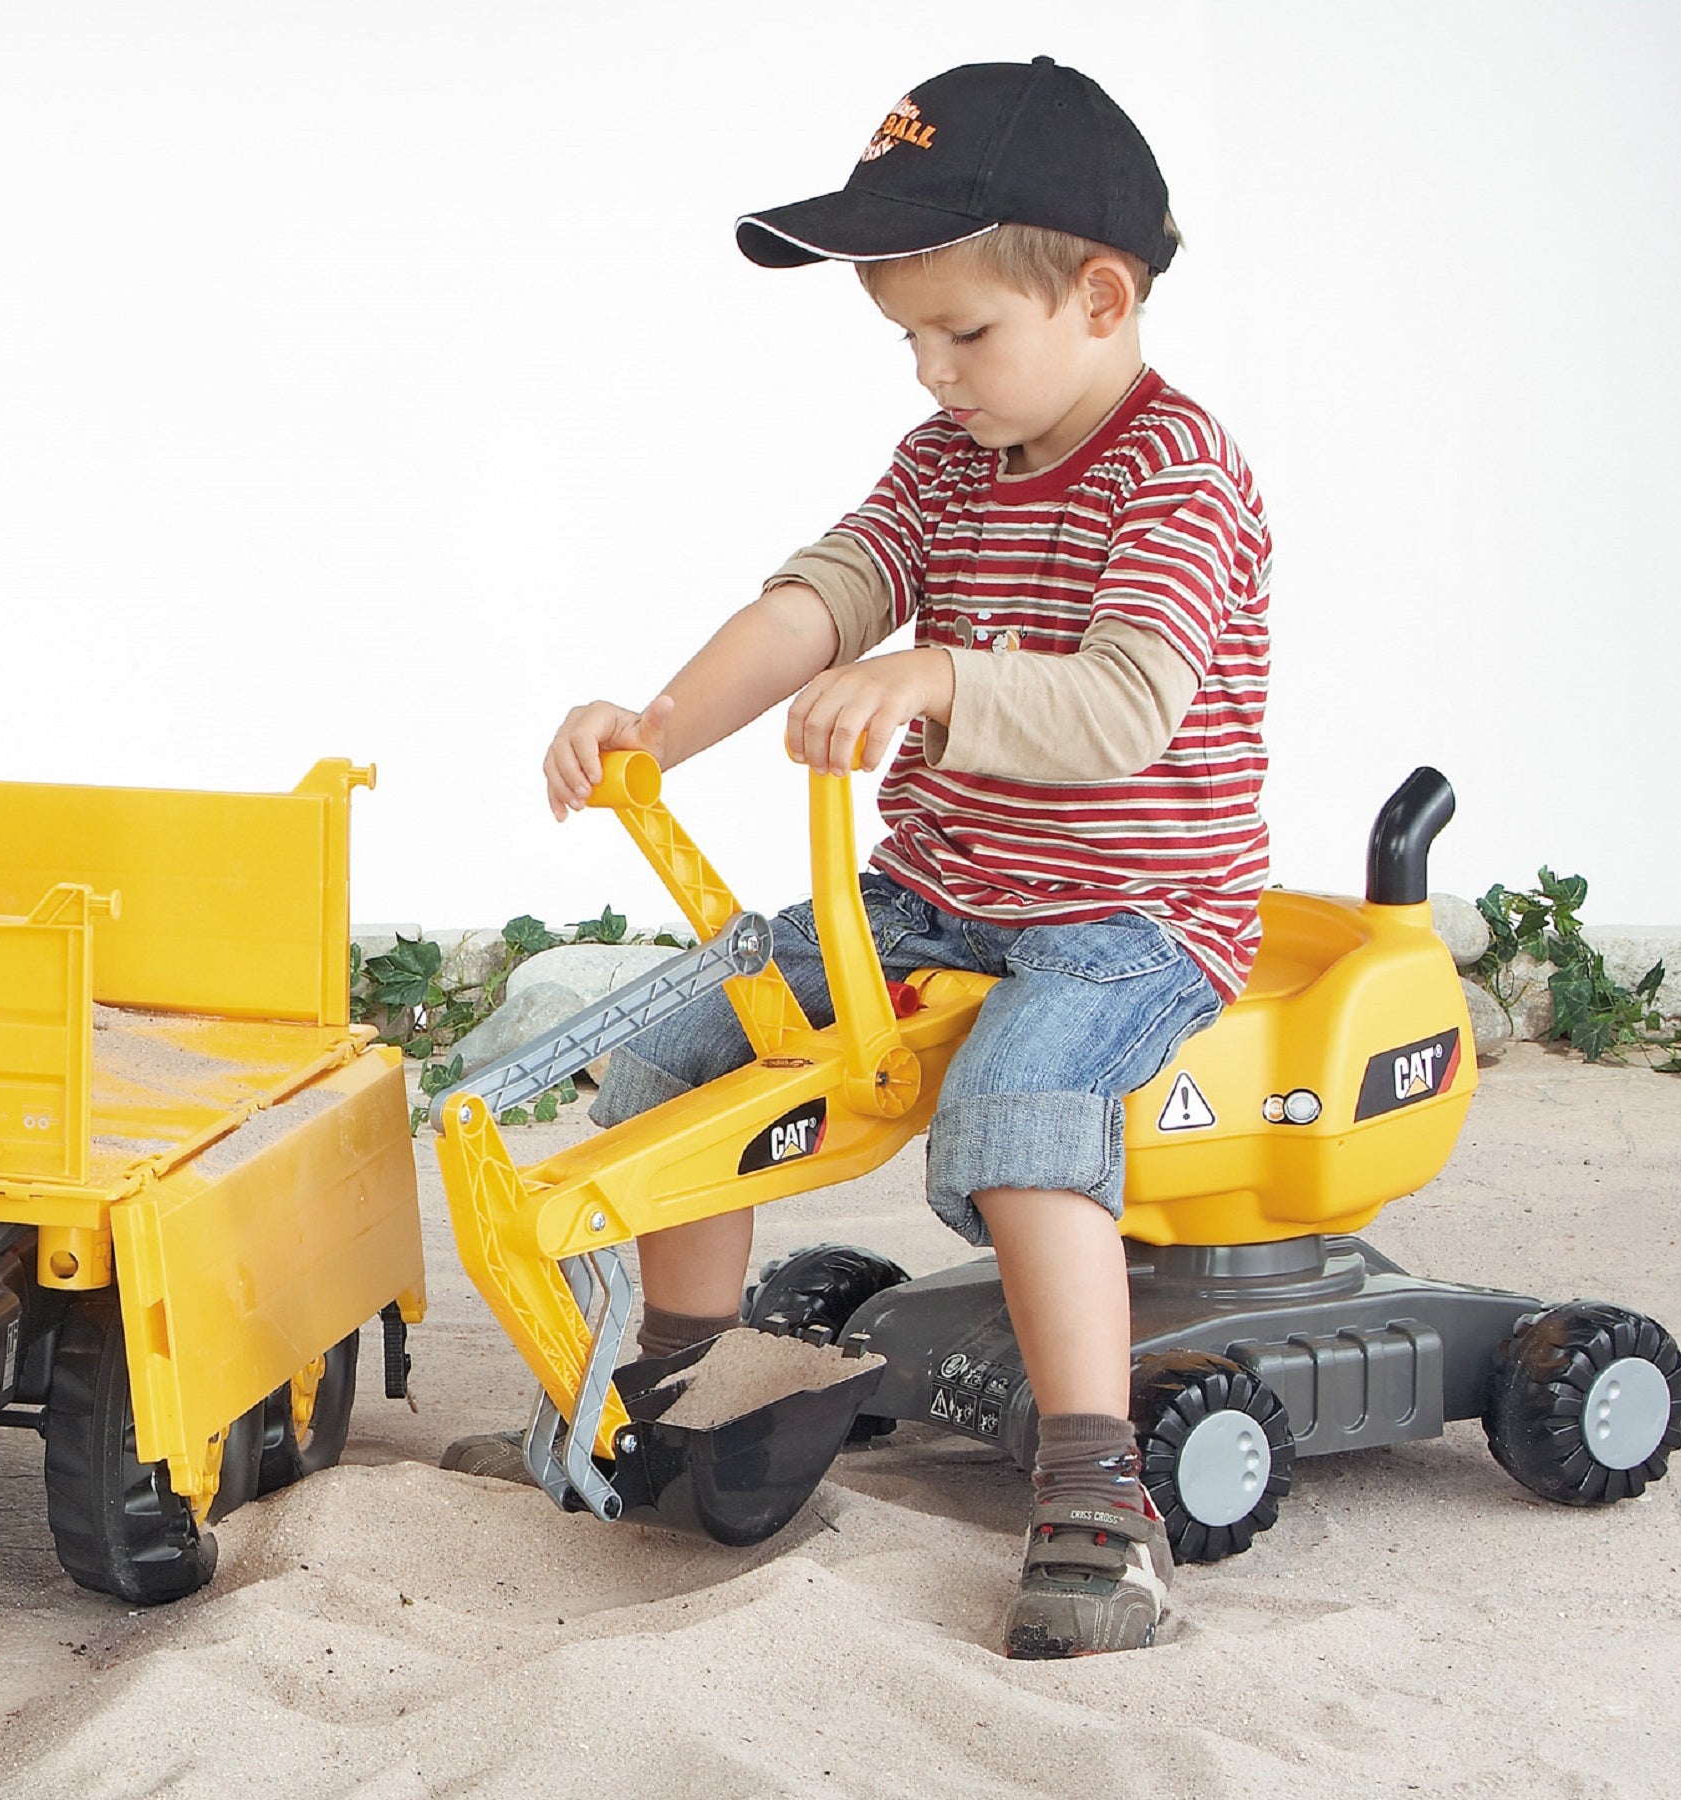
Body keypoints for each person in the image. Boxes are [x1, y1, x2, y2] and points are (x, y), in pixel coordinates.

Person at [450, 56, 1271, 1661]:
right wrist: (660, 721)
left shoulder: (1179, 476)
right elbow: (827, 594)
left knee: (1025, 1112)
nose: (931, 371)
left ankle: (1101, 1496)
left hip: (1129, 915)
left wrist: (943, 677)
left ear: (1101, 298)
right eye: (906, 335)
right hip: (930, 896)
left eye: (964, 333)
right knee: (693, 1031)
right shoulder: (946, 463)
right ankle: (678, 1376)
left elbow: (1123, 704)